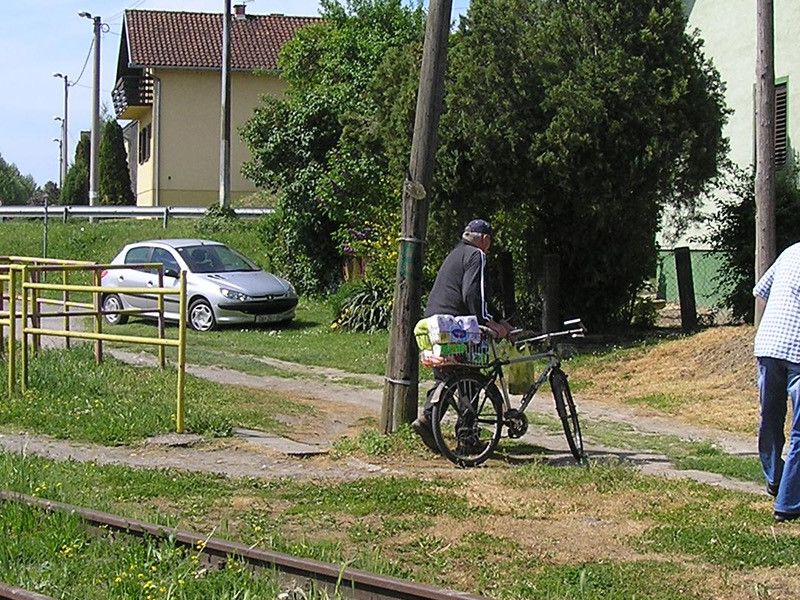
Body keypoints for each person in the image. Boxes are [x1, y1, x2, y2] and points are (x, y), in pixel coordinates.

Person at [412, 218, 512, 450]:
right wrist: (487, 322)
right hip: (456, 325)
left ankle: (428, 420)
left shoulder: (456, 254)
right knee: (470, 378)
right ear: (484, 239)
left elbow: (479, 297)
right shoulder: (477, 255)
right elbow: (473, 294)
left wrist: (499, 319)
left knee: (447, 375)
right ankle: (467, 439)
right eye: (490, 241)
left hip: (435, 323)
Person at [753, 242, 800, 522]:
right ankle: (788, 503)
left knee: (769, 418)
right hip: (797, 352)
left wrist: (763, 330)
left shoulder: (791, 251)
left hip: (769, 345)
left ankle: (775, 478)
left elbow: (760, 292)